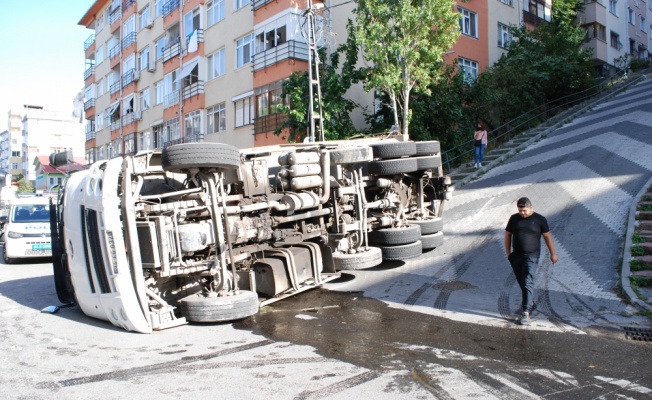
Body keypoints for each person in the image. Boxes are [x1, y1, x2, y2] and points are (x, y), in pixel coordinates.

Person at [504, 197, 558, 326]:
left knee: (528, 280)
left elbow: (547, 237)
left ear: (531, 207)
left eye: (524, 210)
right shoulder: (514, 218)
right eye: (520, 210)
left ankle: (525, 312)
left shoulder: (540, 220)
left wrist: (553, 254)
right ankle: (530, 301)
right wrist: (508, 254)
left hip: (532, 257)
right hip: (516, 256)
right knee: (522, 282)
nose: (522, 213)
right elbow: (507, 235)